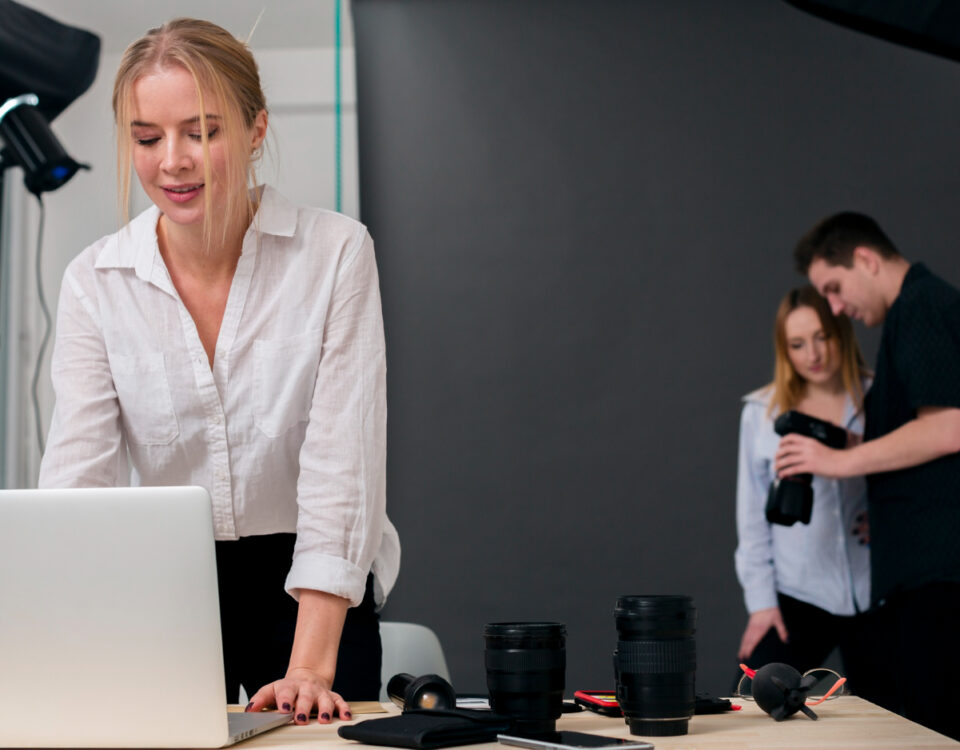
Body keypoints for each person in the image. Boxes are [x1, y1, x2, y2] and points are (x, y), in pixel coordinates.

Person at [37, 18, 400, 725]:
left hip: (312, 586)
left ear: (256, 129)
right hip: (163, 587)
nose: (173, 161)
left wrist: (307, 669)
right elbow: (77, 490)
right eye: (147, 138)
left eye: (201, 132)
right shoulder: (95, 281)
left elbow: (343, 471)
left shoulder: (335, 254)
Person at [783, 211, 960, 739]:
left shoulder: (921, 305)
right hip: (923, 577)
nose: (836, 307)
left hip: (940, 583)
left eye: (834, 289)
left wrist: (835, 462)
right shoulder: (910, 314)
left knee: (937, 733)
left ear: (866, 259)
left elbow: (950, 426)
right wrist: (884, 510)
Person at [734, 286, 874, 694]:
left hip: (877, 586)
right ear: (784, 350)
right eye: (797, 344)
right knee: (758, 697)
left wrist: (890, 520)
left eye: (822, 337)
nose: (813, 354)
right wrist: (762, 602)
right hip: (800, 588)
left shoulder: (879, 396)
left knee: (899, 710)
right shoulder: (762, 413)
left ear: (841, 334)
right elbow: (752, 518)